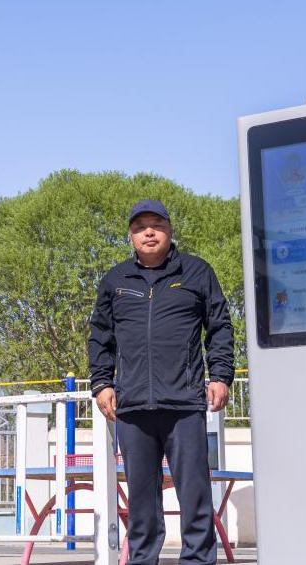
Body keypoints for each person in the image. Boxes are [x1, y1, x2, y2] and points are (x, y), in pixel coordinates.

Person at [88, 199, 235, 565]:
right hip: (133, 407)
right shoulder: (115, 280)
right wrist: (102, 384)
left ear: (170, 230)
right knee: (141, 503)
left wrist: (220, 375)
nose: (149, 232)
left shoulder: (197, 272)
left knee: (195, 496)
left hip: (184, 403)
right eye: (140, 227)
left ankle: (198, 561)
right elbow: (101, 337)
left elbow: (219, 327)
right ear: (131, 236)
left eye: (156, 225)